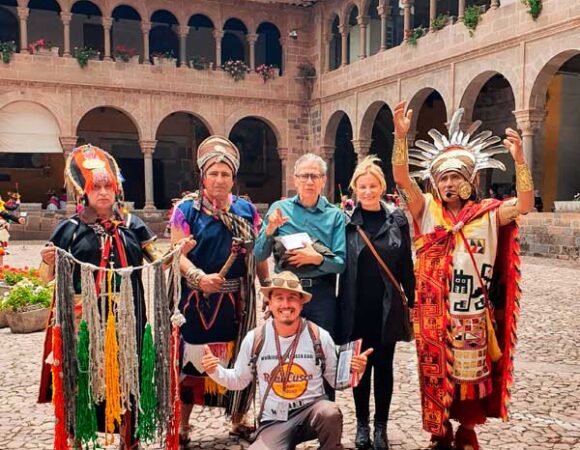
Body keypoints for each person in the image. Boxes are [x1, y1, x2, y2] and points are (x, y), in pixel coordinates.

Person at [391, 101, 534, 450]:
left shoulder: (488, 214)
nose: (450, 183)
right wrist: (400, 136)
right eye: (444, 177)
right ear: (435, 183)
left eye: (457, 176)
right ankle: (439, 431)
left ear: (470, 181)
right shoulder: (425, 209)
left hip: (471, 311)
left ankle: (467, 429)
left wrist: (519, 160)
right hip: (432, 312)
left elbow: (526, 204)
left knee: (469, 377)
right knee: (434, 375)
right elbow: (400, 178)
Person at [37, 144, 194, 450]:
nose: (104, 193)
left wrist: (177, 254)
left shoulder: (133, 226)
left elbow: (157, 260)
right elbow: (46, 277)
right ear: (85, 190)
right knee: (83, 372)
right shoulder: (68, 230)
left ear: (117, 188)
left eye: (108, 186)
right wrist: (47, 261)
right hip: (84, 320)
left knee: (129, 372)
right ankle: (78, 434)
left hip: (129, 317)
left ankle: (129, 437)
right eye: (97, 187)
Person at [169, 136, 270, 446]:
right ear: (203, 176)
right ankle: (184, 424)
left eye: (225, 174)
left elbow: (258, 252)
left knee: (241, 358)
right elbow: (176, 253)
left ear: (233, 178)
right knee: (192, 362)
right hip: (198, 302)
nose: (219, 179)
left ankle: (238, 418)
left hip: (237, 301)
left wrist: (266, 286)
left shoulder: (246, 210)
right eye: (213, 173)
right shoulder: (186, 210)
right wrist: (199, 277)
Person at [201, 270, 373, 450]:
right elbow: (238, 380)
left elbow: (335, 380)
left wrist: (354, 370)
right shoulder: (255, 339)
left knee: (330, 413)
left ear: (301, 303)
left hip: (311, 412)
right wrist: (214, 370)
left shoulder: (319, 336)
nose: (285, 304)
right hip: (275, 420)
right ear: (269, 302)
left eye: (292, 298)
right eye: (279, 298)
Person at [339, 156, 415, 450]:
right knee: (361, 367)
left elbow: (406, 263)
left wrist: (413, 299)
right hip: (357, 307)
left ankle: (380, 427)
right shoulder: (346, 223)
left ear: (381, 187)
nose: (368, 191)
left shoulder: (396, 220)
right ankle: (362, 425)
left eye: (372, 186)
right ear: (355, 189)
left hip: (388, 307)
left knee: (384, 367)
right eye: (362, 186)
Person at [254, 153, 346, 340]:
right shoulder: (279, 209)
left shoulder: (335, 216)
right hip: (286, 293)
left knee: (321, 352)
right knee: (284, 351)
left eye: (315, 176)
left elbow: (341, 263)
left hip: (321, 295)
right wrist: (270, 229)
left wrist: (317, 258)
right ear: (295, 180)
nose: (309, 181)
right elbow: (258, 254)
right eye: (304, 176)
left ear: (323, 180)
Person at [0, 194, 25, 265]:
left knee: (3, 236)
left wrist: (18, 219)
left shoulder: (2, 206)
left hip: (2, 226)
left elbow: (8, 214)